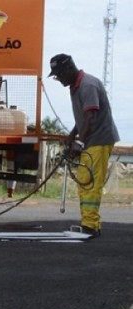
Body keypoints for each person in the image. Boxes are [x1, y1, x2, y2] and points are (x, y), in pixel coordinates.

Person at [49, 53, 119, 238]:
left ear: (69, 69)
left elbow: (91, 116)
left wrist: (79, 142)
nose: (58, 79)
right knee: (85, 180)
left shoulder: (87, 85)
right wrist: (73, 135)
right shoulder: (76, 86)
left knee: (90, 182)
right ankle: (91, 223)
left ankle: (90, 225)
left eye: (59, 75)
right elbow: (83, 117)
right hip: (91, 140)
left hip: (99, 140)